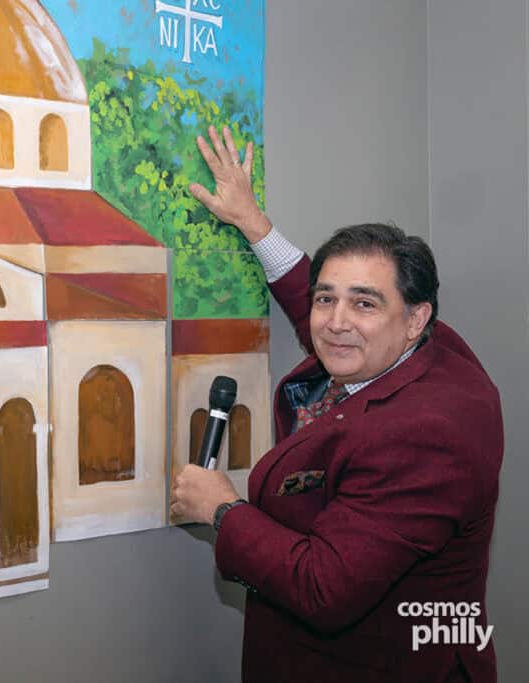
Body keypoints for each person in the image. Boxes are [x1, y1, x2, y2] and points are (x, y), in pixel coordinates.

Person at [170, 126, 503, 682]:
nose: (335, 322)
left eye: (364, 304)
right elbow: (331, 314)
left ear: (416, 319)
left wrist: (223, 510)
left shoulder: (427, 433)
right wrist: (253, 223)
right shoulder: (418, 345)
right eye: (327, 299)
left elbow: (324, 587)